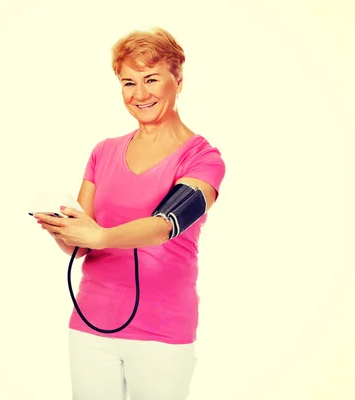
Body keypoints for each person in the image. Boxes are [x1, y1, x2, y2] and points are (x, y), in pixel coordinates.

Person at [33, 27, 226, 400]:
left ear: (179, 79)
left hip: (162, 334)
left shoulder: (202, 158)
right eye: (128, 83)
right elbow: (83, 245)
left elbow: (165, 225)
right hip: (90, 328)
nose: (140, 95)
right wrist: (64, 232)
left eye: (151, 79)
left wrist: (100, 235)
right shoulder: (103, 152)